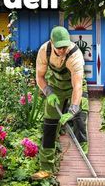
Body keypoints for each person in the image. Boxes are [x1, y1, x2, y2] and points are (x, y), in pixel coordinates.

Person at [32, 26, 89, 179]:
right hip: (55, 87)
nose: (63, 50)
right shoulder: (44, 51)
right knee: (49, 126)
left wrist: (72, 109)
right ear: (52, 42)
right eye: (59, 47)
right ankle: (46, 168)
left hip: (74, 88)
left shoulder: (75, 54)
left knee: (79, 120)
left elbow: (77, 85)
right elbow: (40, 78)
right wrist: (48, 92)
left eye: (65, 46)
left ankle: (85, 163)